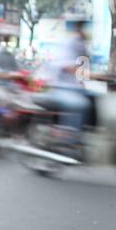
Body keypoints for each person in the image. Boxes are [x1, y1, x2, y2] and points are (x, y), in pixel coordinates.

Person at [41, 20, 91, 149]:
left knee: (96, 100)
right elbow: (67, 67)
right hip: (59, 87)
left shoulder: (83, 46)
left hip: (74, 88)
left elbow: (83, 75)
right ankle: (69, 139)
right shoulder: (68, 44)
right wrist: (92, 75)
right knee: (79, 104)